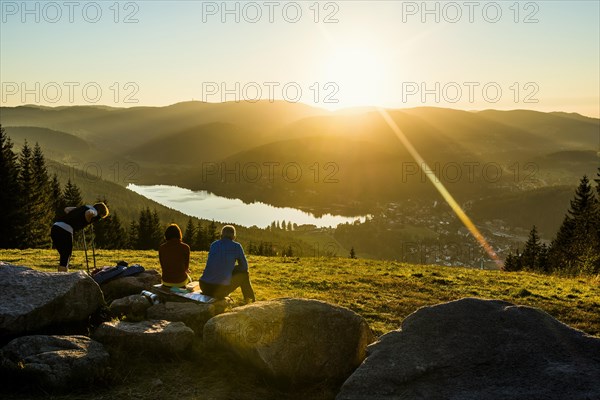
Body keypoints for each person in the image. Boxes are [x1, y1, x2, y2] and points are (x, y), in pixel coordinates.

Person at [199, 225, 255, 303]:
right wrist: (231, 269)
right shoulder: (236, 247)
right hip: (220, 290)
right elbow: (244, 267)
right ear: (233, 236)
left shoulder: (214, 245)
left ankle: (250, 301)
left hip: (204, 286)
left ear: (222, 234)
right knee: (244, 274)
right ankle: (250, 301)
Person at [50, 202, 109, 272]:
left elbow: (67, 209)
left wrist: (78, 211)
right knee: (65, 256)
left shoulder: (85, 207)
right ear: (101, 212)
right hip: (65, 230)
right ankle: (63, 278)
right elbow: (89, 213)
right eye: (101, 217)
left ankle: (62, 275)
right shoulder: (95, 212)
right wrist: (88, 220)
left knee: (63, 255)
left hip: (55, 227)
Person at [158, 223, 191, 288]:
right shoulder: (186, 247)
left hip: (166, 281)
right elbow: (186, 268)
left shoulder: (161, 248)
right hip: (180, 282)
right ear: (179, 234)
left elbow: (163, 266)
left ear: (166, 235)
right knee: (190, 280)